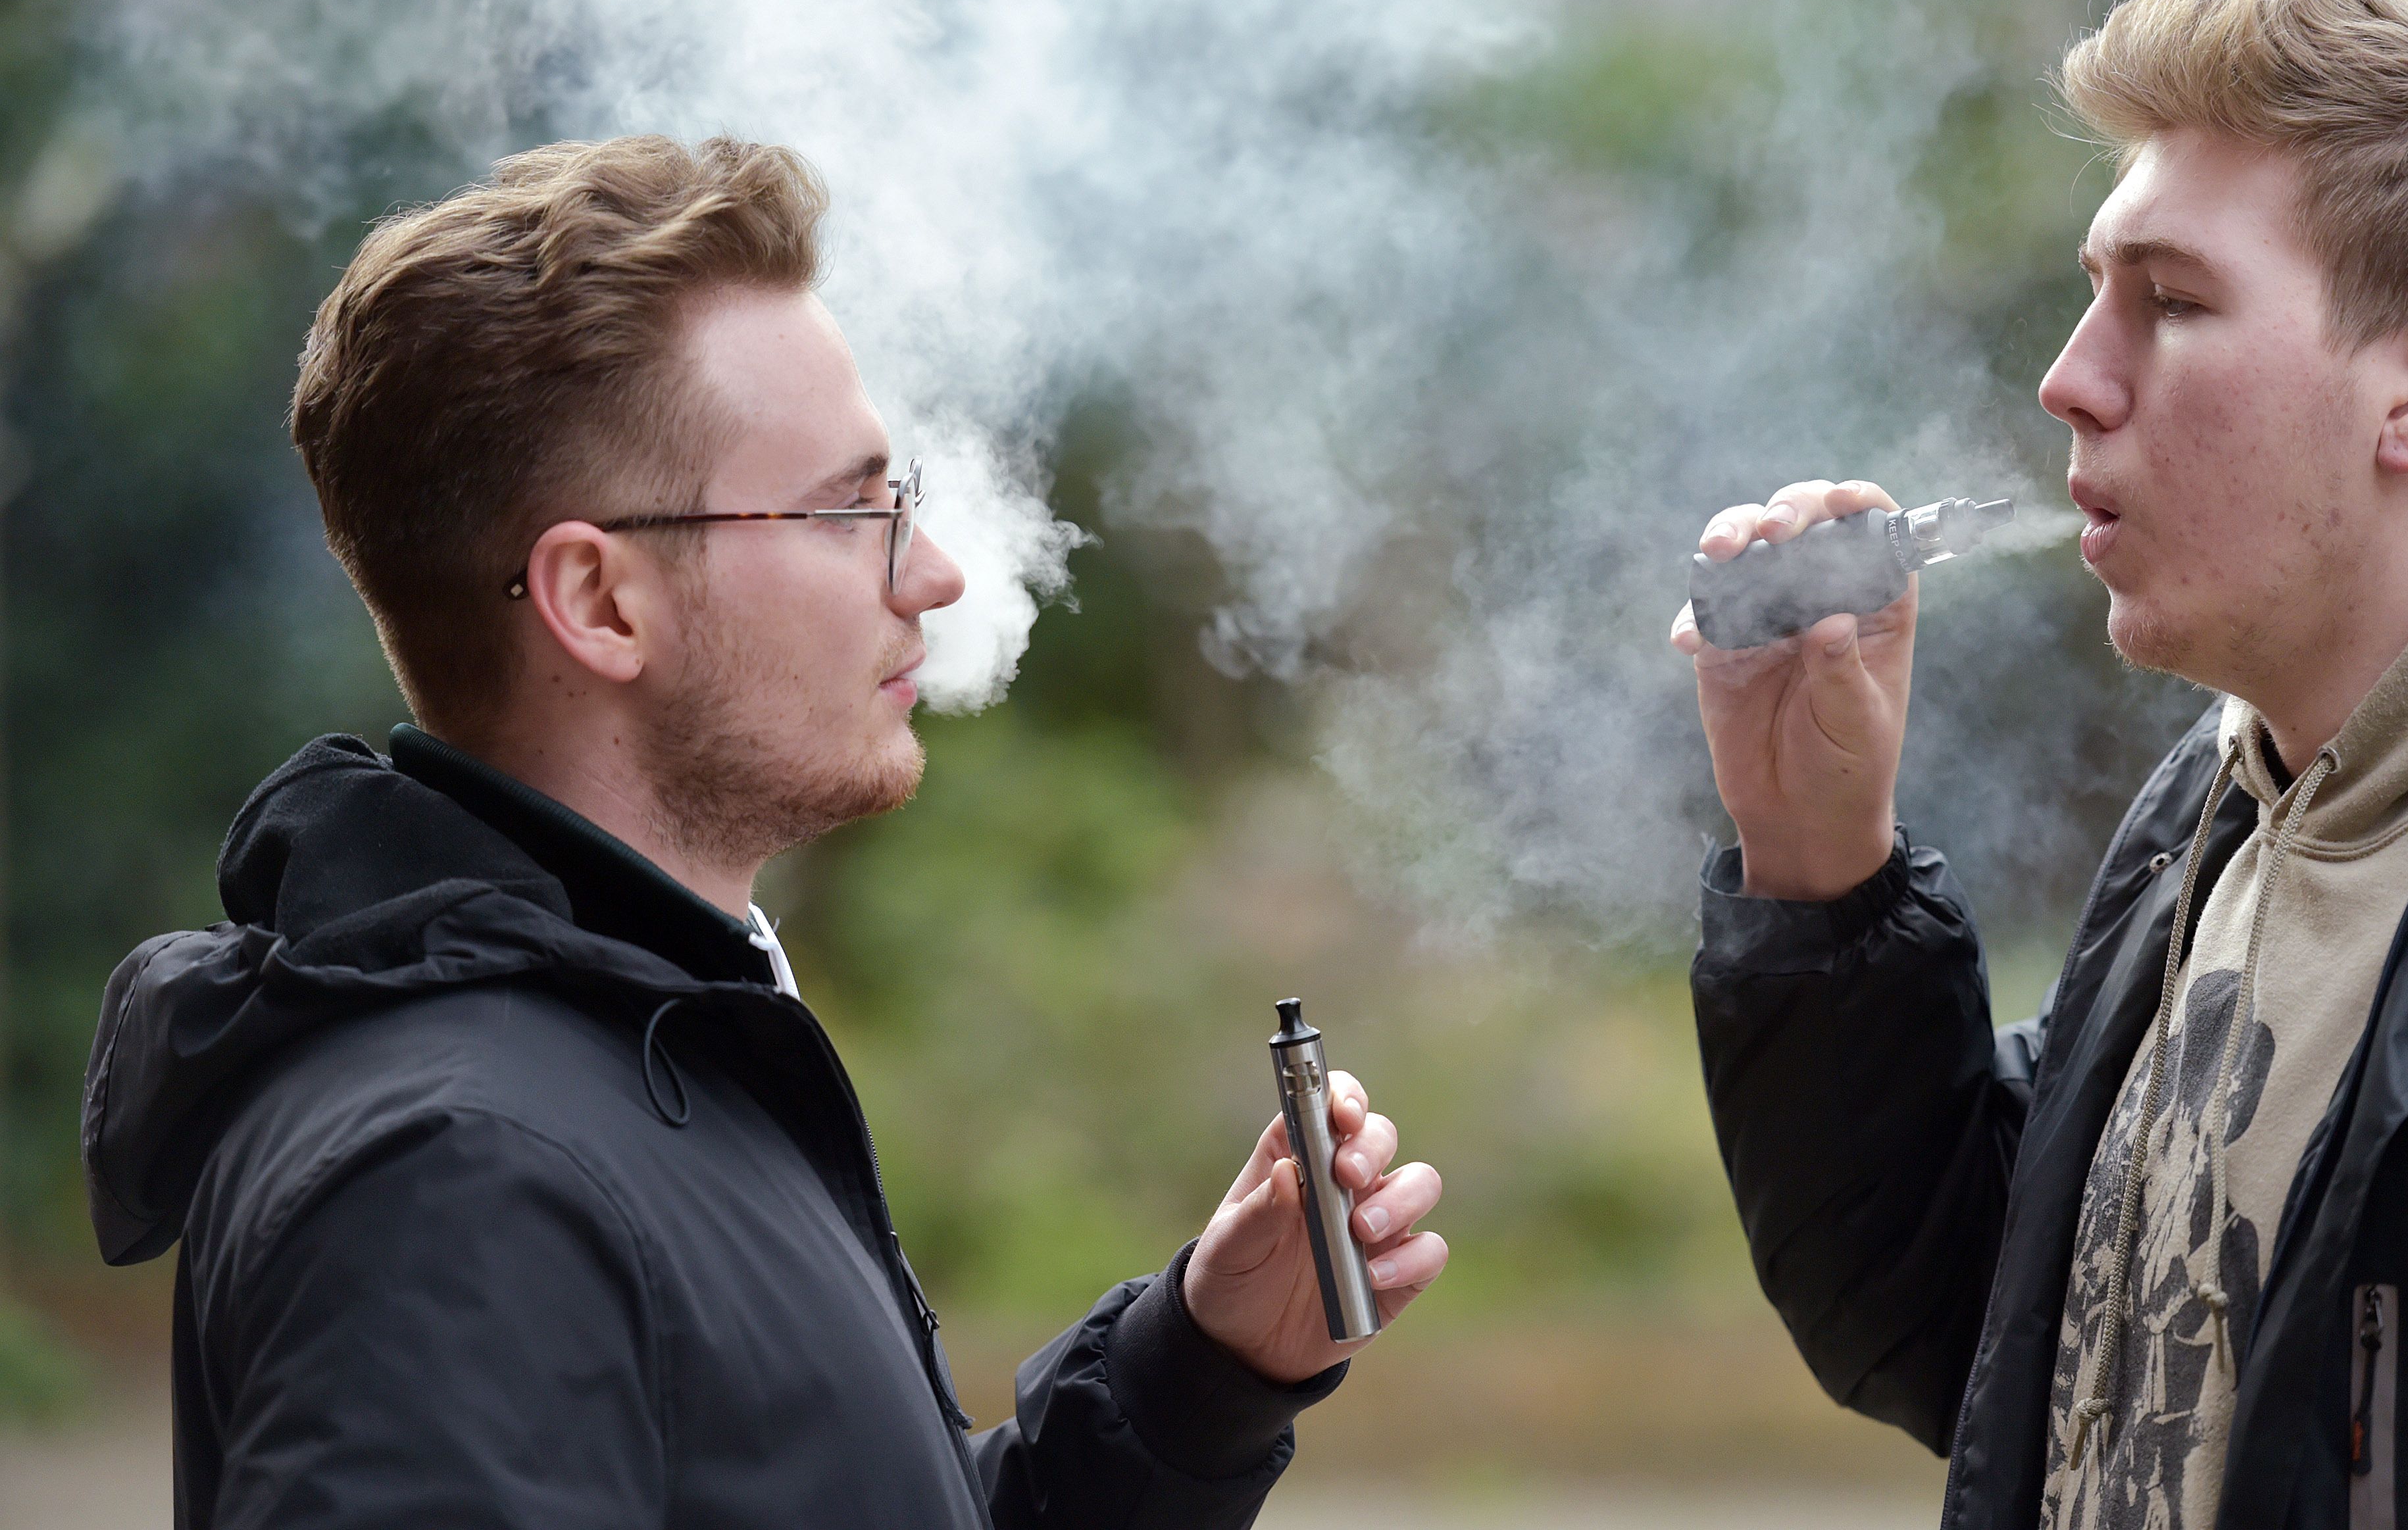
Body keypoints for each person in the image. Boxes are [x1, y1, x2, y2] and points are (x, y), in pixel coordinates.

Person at [81, 135, 1447, 1529]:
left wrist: (1193, 1376)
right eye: (849, 507)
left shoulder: (640, 1045)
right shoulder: (460, 1174)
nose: (931, 570)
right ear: (601, 602)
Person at [1676, 0, 2408, 1529]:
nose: (2068, 378)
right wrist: (1814, 862)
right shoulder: (2223, 819)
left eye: (2172, 301)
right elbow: (1975, 1340)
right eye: (2092, 291)